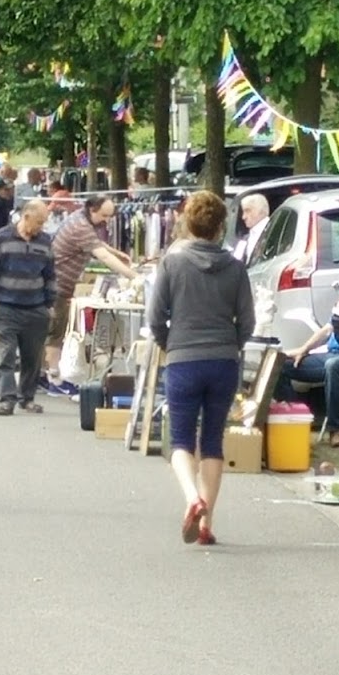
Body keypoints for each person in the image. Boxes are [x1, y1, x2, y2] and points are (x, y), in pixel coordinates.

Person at [147, 189, 254, 547]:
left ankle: (193, 497)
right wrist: (232, 344)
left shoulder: (172, 263)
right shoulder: (236, 268)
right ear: (221, 226)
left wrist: (169, 342)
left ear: (188, 223)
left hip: (183, 359)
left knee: (180, 440)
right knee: (212, 440)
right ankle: (206, 522)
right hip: (223, 361)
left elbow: (155, 316)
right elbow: (248, 322)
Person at [43, 195, 141, 395]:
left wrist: (117, 253)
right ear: (93, 210)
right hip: (59, 285)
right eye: (104, 215)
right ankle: (53, 377)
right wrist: (134, 276)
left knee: (54, 331)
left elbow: (97, 244)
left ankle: (44, 375)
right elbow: (101, 254)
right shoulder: (81, 226)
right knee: (57, 332)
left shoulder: (80, 216)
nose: (106, 220)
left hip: (58, 283)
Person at [273, 258, 339, 448]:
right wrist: (303, 350)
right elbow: (326, 331)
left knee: (333, 366)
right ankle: (298, 420)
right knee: (280, 365)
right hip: (332, 354)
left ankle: (335, 429)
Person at [0, 199, 56, 416]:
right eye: (39, 222)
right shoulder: (2, 237)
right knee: (6, 355)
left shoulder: (45, 241)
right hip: (6, 307)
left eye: (44, 223)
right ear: (26, 217)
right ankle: (7, 399)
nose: (42, 227)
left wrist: (50, 304)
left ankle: (27, 398)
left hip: (36, 307)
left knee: (32, 358)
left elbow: (50, 275)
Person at [232, 193, 270, 262]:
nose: (243, 217)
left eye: (247, 211)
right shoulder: (244, 240)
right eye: (243, 212)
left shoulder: (273, 232)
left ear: (260, 211)